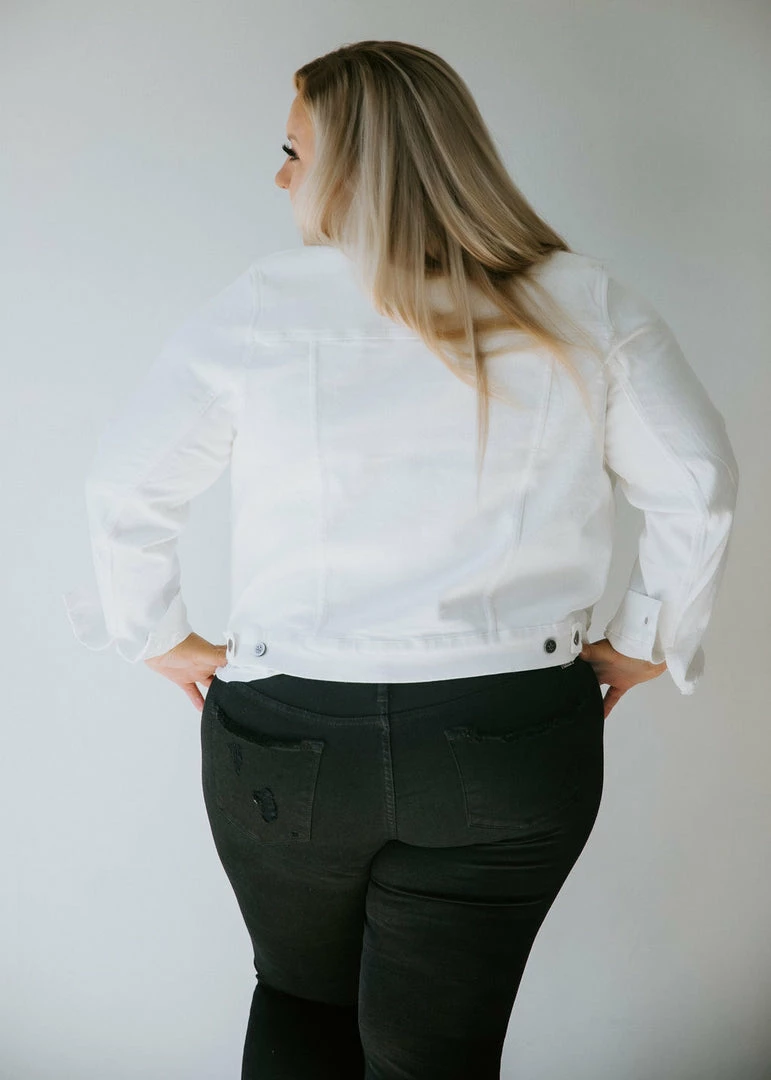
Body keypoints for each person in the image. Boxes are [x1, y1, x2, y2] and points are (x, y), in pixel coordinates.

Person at [62, 39, 739, 1080]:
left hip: (289, 739)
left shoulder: (267, 303)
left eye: (293, 152)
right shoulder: (584, 299)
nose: (280, 177)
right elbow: (695, 479)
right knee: (439, 1056)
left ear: (355, 167)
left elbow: (125, 488)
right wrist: (651, 637)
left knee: (301, 1002)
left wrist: (156, 635)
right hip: (510, 733)